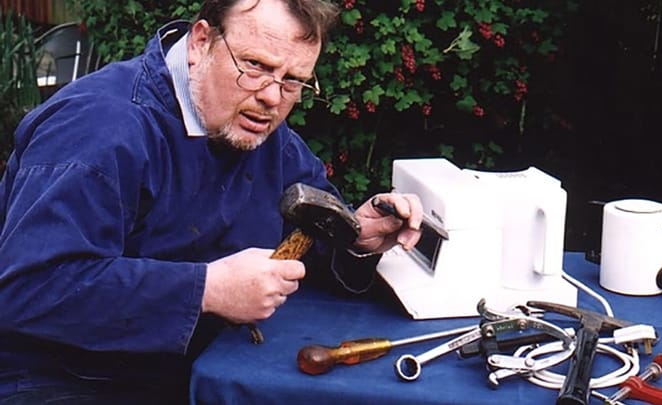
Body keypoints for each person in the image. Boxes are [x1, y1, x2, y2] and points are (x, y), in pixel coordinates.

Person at [0, 0, 424, 403]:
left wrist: (357, 237)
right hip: (57, 379)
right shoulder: (98, 128)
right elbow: (29, 288)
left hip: (195, 369)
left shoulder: (259, 130)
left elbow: (315, 230)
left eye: (293, 80)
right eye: (255, 66)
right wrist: (206, 290)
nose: (272, 97)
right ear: (201, 42)